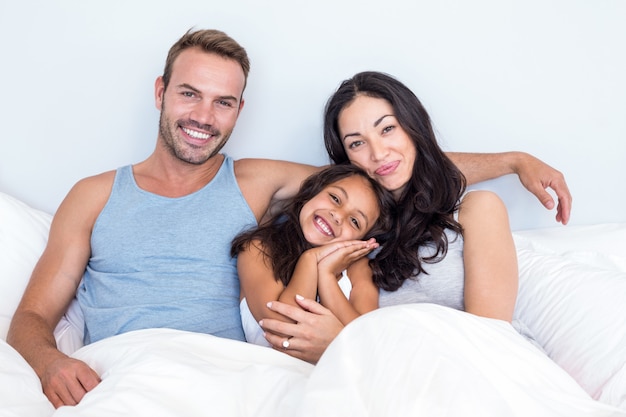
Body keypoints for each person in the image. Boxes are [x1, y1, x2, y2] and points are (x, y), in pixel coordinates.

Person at [6, 28, 571, 408]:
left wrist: (512, 161)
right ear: (160, 93)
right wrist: (50, 360)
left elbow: (385, 170)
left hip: (235, 378)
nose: (204, 116)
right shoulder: (94, 195)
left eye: (223, 102)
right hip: (124, 373)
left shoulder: (256, 182)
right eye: (189, 94)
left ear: (239, 111)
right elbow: (31, 316)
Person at [260, 71, 528, 361]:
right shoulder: (347, 232)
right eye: (356, 143)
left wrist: (514, 161)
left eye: (387, 129)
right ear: (345, 159)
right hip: (380, 384)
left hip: (467, 374)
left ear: (413, 127)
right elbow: (257, 179)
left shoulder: (477, 209)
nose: (377, 153)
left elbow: (490, 340)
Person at [232, 164, 395, 347]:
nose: (338, 215)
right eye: (335, 198)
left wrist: (326, 276)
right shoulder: (258, 248)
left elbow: (365, 340)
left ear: (362, 239)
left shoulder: (359, 269)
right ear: (313, 191)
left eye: (355, 221)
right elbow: (285, 327)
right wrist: (310, 260)